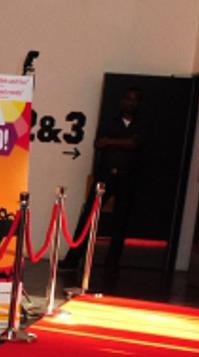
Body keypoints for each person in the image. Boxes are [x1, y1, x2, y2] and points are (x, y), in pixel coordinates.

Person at [60, 87, 145, 273]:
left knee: (121, 222)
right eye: (128, 99)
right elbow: (99, 143)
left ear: (138, 103)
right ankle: (72, 259)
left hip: (128, 178)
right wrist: (123, 142)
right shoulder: (110, 121)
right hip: (104, 176)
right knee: (88, 217)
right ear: (122, 101)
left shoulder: (142, 123)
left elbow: (135, 144)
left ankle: (112, 264)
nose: (131, 103)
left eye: (135, 99)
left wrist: (112, 142)